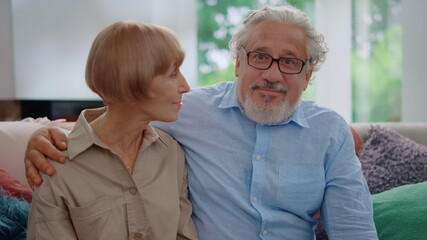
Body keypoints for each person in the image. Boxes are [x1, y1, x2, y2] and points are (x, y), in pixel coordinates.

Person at [25, 5, 378, 240]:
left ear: (309, 74)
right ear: (238, 62)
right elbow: (119, 118)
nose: (272, 74)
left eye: (289, 62)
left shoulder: (329, 131)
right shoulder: (184, 110)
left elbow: (353, 228)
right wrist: (44, 134)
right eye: (259, 57)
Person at [26, 20, 198, 240]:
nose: (186, 86)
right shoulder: (57, 165)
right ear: (131, 80)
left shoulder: (171, 152)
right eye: (173, 73)